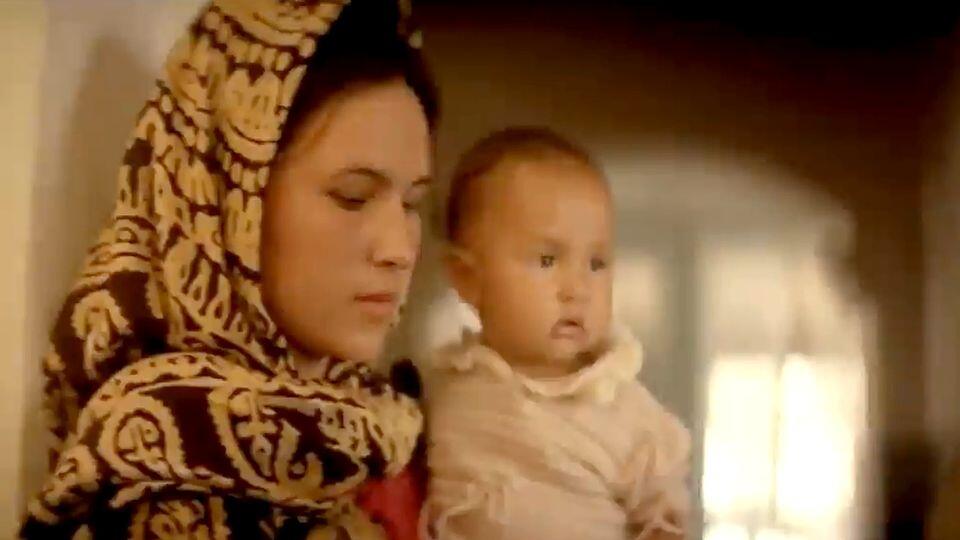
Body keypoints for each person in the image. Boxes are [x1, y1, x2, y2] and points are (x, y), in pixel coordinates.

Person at [20, 0, 437, 538]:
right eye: (352, 196)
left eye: (412, 203)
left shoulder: (378, 427)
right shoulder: (165, 477)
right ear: (227, 202)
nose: (400, 250)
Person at [420, 127, 691, 540]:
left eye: (596, 264)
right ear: (467, 278)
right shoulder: (443, 389)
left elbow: (664, 523)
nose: (577, 289)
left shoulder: (626, 411)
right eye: (547, 260)